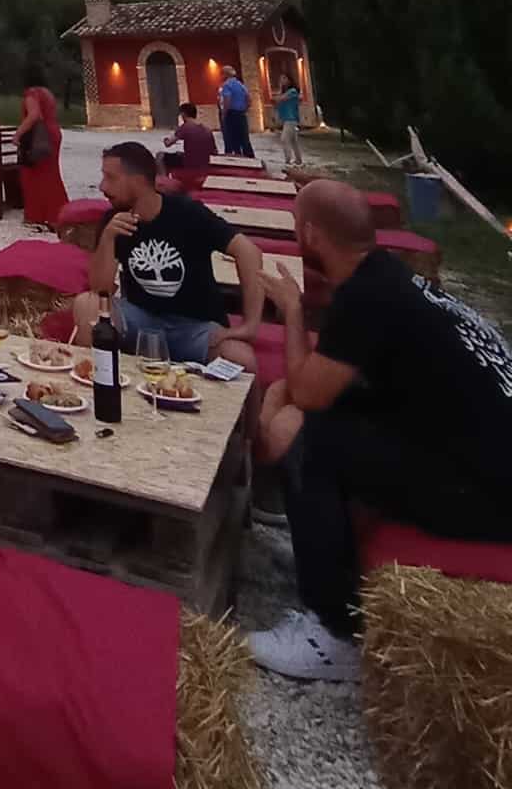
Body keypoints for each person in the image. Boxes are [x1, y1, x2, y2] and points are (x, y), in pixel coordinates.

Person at [248, 182, 512, 682]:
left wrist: (293, 309)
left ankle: (332, 633)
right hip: (480, 455)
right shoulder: (390, 277)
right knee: (336, 415)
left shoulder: (365, 298)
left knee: (317, 441)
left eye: (296, 225)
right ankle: (325, 551)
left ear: (310, 234)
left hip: (488, 494)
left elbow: (307, 393)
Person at [72, 141, 261, 371]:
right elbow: (99, 290)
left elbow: (248, 251)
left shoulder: (187, 213)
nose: (102, 186)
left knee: (242, 359)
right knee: (86, 305)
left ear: (137, 181)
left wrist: (250, 325)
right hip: (141, 321)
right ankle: (98, 384)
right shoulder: (114, 219)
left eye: (110, 178)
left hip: (195, 327)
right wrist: (108, 239)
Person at [15, 73, 68, 226]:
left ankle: (35, 214)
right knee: (51, 173)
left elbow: (34, 115)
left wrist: (18, 134)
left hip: (38, 135)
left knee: (30, 173)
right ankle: (57, 212)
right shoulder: (47, 92)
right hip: (52, 132)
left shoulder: (31, 93)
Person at [163, 101, 216, 183]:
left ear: (183, 114)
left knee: (160, 156)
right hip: (204, 163)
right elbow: (214, 151)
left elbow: (168, 144)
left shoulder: (185, 127)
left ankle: (164, 181)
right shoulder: (207, 129)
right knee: (179, 154)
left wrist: (165, 139)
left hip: (189, 163)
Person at [217, 65, 253, 156]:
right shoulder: (241, 85)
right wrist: (245, 109)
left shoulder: (226, 85)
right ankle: (249, 157)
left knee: (232, 137)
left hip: (231, 113)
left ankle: (237, 156)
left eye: (221, 74)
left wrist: (224, 113)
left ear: (225, 74)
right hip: (241, 114)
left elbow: (227, 100)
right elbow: (249, 99)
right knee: (244, 137)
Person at [273, 73, 302, 168]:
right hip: (287, 119)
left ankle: (288, 161)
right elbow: (277, 101)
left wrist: (279, 90)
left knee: (284, 139)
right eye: (281, 79)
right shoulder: (284, 92)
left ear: (289, 80)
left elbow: (280, 99)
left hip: (291, 119)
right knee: (293, 141)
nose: (282, 80)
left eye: (284, 78)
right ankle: (298, 160)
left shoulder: (292, 91)